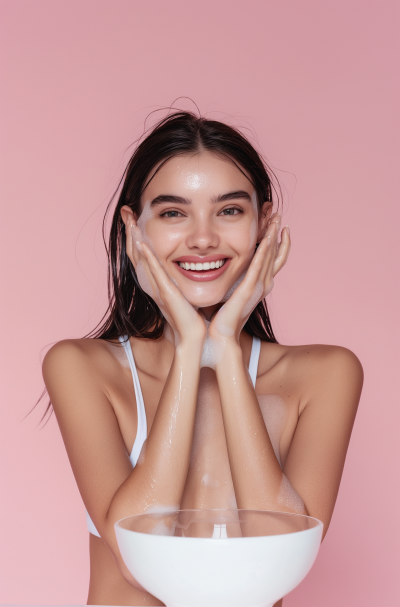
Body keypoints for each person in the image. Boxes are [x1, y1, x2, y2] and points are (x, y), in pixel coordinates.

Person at [42, 111, 363, 607]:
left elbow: (275, 565)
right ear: (134, 228)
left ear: (265, 223)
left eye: (229, 211)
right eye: (173, 213)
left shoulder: (326, 375)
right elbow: (134, 560)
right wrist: (191, 344)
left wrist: (227, 351)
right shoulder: (82, 367)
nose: (203, 238)